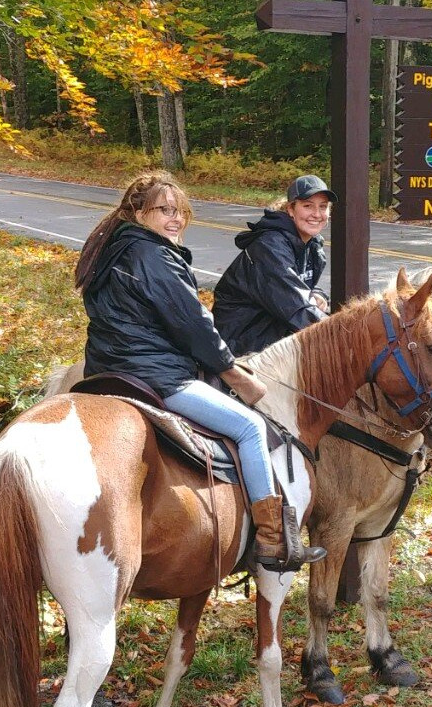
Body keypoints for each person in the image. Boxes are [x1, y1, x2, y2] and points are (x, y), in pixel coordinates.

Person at [76, 171, 325, 572]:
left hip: (106, 370)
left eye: (181, 212)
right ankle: (272, 540)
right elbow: (193, 325)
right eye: (163, 211)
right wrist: (233, 373)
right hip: (156, 377)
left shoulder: (112, 251)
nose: (175, 220)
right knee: (249, 428)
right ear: (138, 213)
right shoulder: (153, 256)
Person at [212, 175, 337, 355]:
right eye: (308, 205)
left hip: (276, 337)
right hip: (242, 346)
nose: (317, 214)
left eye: (323, 207)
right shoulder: (270, 246)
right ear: (291, 209)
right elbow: (295, 307)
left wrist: (317, 293)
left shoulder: (312, 245)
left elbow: (298, 287)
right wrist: (340, 337)